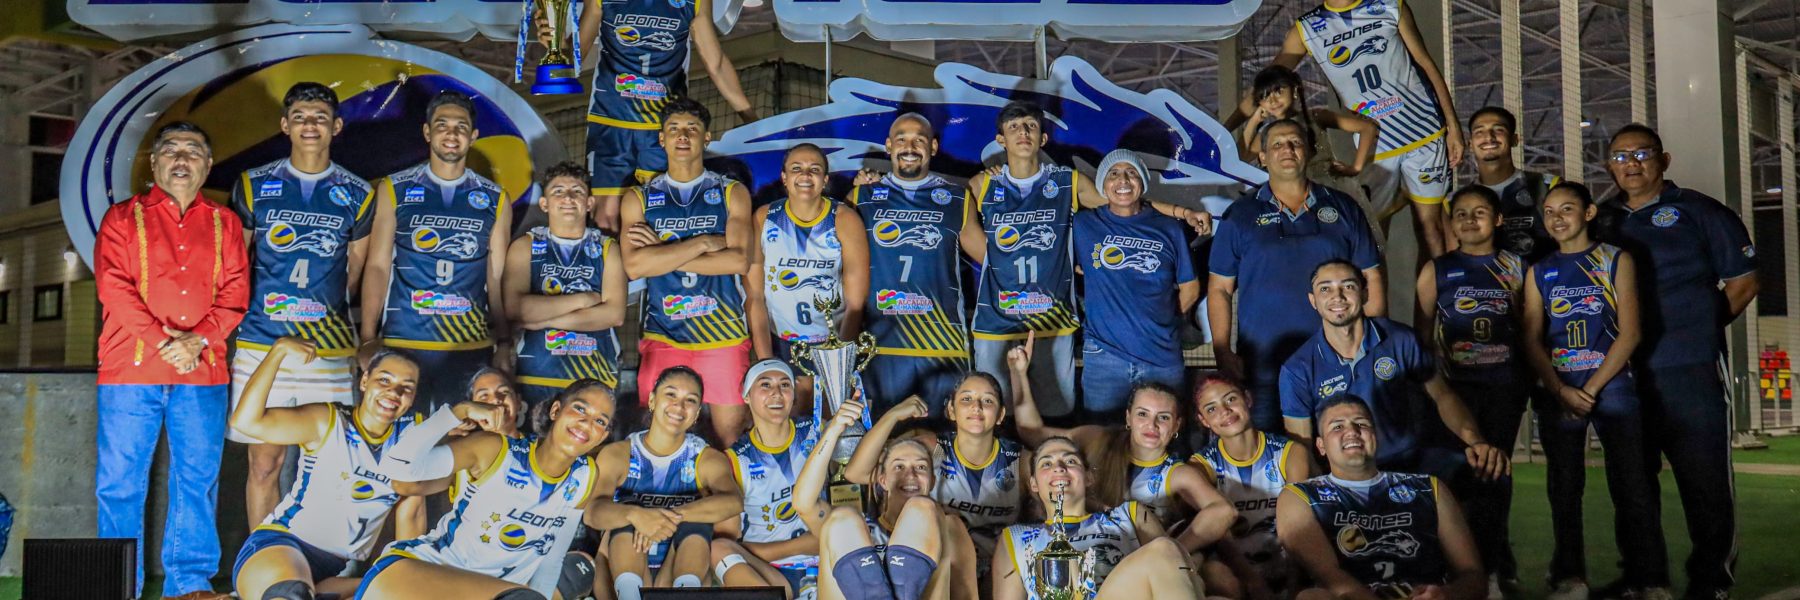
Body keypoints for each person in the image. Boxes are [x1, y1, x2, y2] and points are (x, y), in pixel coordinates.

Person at [1595, 124, 1756, 600]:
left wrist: (1699, 326)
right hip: (1624, 375)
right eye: (1620, 156)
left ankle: (1711, 580)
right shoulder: (1602, 219)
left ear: (1663, 160)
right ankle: (1643, 577)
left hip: (1690, 368)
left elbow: (1744, 282)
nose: (1631, 163)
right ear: (1608, 166)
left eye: (1641, 153)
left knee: (1703, 480)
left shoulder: (1700, 211)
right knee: (1632, 484)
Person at [968, 101, 1211, 418]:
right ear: (1001, 139)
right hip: (997, 321)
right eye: (1013, 127)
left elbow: (1124, 199)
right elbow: (959, 229)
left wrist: (1181, 212)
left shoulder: (1067, 182)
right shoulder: (982, 184)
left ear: (1043, 138)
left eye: (1031, 126)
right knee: (993, 415)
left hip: (1053, 321)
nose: (1023, 132)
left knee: (1056, 416)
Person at [94, 120, 248, 600]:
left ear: (207, 164)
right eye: (171, 150)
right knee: (119, 484)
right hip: (129, 371)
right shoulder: (122, 219)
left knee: (197, 482)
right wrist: (168, 342)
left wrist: (197, 340)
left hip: (203, 374)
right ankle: (118, 585)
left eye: (193, 151)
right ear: (154, 162)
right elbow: (114, 288)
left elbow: (236, 292)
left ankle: (189, 586)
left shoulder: (225, 223)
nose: (181, 159)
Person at [228, 82, 377, 529]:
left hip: (328, 349)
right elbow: (236, 264)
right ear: (285, 125)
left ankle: (316, 560)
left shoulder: (358, 193)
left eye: (319, 117)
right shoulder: (254, 184)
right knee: (264, 464)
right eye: (300, 117)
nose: (309, 125)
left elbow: (355, 271)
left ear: (336, 126)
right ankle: (262, 560)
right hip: (262, 343)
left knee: (329, 468)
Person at [1523, 182, 1668, 600]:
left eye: (1566, 209)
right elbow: (1531, 338)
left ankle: (1649, 580)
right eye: (1550, 212)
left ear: (1588, 213)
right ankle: (1570, 577)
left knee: (1632, 486)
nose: (1557, 218)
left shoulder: (1614, 259)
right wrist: (1559, 389)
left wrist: (1590, 387)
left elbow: (1631, 332)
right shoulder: (1539, 270)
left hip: (1612, 386)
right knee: (1565, 488)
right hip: (1561, 391)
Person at [1242, 0, 1464, 258]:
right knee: (1373, 236)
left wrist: (1453, 125)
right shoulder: (1306, 28)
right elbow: (1266, 84)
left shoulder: (1390, 5)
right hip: (1379, 144)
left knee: (1431, 230)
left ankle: (1437, 287)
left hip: (1423, 129)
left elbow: (1425, 63)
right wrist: (1228, 126)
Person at [358, 381, 618, 599]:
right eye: (580, 408)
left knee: (573, 573)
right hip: (415, 575)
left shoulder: (584, 476)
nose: (586, 423)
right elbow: (397, 469)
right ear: (556, 410)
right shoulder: (495, 449)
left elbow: (551, 560)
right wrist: (457, 412)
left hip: (493, 593)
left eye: (600, 421)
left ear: (603, 436)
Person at [1209, 118, 1385, 430]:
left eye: (1295, 142)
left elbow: (1370, 277)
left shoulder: (1344, 207)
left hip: (1339, 363)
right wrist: (1222, 350)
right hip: (1264, 366)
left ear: (1309, 151)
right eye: (1277, 144)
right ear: (1262, 157)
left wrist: (1374, 345)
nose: (1287, 149)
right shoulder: (1240, 215)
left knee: (1340, 450)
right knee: (1273, 453)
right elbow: (1220, 289)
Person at [228, 337, 426, 600]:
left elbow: (412, 518)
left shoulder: (411, 442)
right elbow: (245, 422)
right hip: (281, 546)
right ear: (364, 381)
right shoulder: (327, 421)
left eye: (406, 387)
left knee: (401, 592)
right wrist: (278, 352)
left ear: (413, 398)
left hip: (329, 570)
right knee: (291, 594)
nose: (394, 392)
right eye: (384, 380)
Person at [1279, 259, 1508, 482]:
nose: (1337, 296)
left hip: (1408, 462)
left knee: (1490, 472)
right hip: (1346, 473)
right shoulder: (1297, 368)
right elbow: (1301, 447)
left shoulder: (1401, 339)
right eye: (1325, 289)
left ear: (1365, 294)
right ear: (1313, 300)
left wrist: (1476, 441)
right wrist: (1321, 491)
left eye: (1348, 286)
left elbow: (1442, 396)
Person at [360, 90, 512, 413]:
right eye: (442, 125)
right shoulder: (394, 188)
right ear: (428, 132)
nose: (451, 134)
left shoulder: (495, 197)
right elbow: (377, 266)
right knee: (402, 436)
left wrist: (503, 341)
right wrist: (368, 337)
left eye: (461, 127)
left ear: (473, 136)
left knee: (460, 437)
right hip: (404, 342)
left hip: (468, 346)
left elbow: (497, 277)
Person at [1007, 342, 1234, 554]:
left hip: (1140, 564)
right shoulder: (1098, 439)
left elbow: (1224, 511)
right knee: (1029, 461)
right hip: (1087, 550)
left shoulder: (1176, 473)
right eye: (1143, 414)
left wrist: (1172, 551)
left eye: (1163, 417)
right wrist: (1018, 374)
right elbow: (1032, 432)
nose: (1152, 425)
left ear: (1176, 425)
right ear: (1128, 418)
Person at [552, 0, 756, 233]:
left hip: (663, 129)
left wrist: (750, 119)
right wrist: (555, 47)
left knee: (661, 215)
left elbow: (715, 63)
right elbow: (574, 56)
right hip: (610, 122)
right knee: (605, 218)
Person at [619, 98, 753, 444]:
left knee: (729, 440)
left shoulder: (731, 191)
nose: (683, 136)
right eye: (674, 129)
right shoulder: (638, 197)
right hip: (665, 334)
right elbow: (634, 266)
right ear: (661, 139)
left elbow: (738, 261)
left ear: (706, 137)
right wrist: (704, 242)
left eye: (692, 129)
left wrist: (661, 252)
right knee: (656, 436)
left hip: (723, 333)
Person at [1417, 186, 1529, 596]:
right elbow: (1421, 337)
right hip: (1453, 390)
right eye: (1461, 213)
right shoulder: (1438, 269)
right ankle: (1450, 568)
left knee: (1493, 477)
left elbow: (1530, 328)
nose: (1469, 220)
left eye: (1479, 212)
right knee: (1451, 478)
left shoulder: (1516, 267)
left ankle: (1492, 570)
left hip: (1502, 388)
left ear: (1498, 220)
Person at [1276, 396, 1485, 600]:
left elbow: (1474, 577)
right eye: (1337, 427)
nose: (1352, 431)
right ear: (1321, 446)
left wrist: (1447, 594)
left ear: (1376, 436)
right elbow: (1330, 577)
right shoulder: (1300, 496)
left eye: (1361, 424)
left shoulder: (1429, 487)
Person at [848, 113, 982, 415]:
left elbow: (993, 260)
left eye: (919, 140)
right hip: (882, 345)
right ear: (888, 146)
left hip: (942, 343)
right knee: (887, 435)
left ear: (933, 146)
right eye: (902, 139)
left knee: (943, 436)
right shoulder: (860, 197)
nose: (910, 147)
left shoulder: (957, 198)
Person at [792, 395, 981, 600]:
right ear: (882, 480)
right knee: (841, 519)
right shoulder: (857, 528)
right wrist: (833, 429)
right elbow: (803, 503)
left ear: (932, 480)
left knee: (925, 508)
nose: (910, 475)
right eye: (899, 466)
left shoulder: (949, 527)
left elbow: (967, 595)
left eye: (920, 467)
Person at [586, 367, 744, 599]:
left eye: (690, 400)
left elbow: (734, 502)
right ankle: (629, 593)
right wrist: (637, 516)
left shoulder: (706, 458)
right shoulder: (618, 454)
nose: (679, 406)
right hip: (622, 564)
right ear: (652, 400)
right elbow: (592, 513)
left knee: (696, 522)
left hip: (677, 565)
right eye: (671, 394)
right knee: (626, 517)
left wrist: (668, 517)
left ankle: (685, 591)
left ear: (697, 413)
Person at [847, 375, 1027, 574]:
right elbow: (857, 473)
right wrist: (892, 416)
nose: (976, 407)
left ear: (1001, 414)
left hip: (1000, 574)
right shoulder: (935, 449)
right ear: (951, 410)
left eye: (987, 400)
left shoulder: (1018, 460)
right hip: (942, 568)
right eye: (966, 399)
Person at [992, 437, 1209, 600]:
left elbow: (1172, 572)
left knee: (1165, 548)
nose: (1059, 468)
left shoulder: (1129, 515)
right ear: (1034, 484)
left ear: (1088, 477)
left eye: (1070, 460)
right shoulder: (1016, 537)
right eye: (1046, 464)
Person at [1071, 150, 1201, 417]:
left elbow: (1190, 287)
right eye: (1114, 174)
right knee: (1104, 437)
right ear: (1102, 185)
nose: (1123, 180)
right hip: (1105, 356)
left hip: (1161, 356)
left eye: (1131, 173)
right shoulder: (1084, 225)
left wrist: (1161, 320)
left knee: (1164, 434)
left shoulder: (1169, 228)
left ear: (1142, 181)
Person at [746, 143, 871, 386]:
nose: (805, 175)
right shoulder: (764, 217)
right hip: (779, 341)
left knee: (828, 410)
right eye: (796, 168)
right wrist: (766, 362)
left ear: (825, 180)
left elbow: (855, 304)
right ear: (784, 177)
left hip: (829, 342)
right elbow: (755, 296)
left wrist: (838, 361)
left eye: (814, 169)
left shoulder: (844, 219)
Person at [505, 161, 628, 406]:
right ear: (544, 204)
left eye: (577, 191)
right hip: (536, 373)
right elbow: (516, 309)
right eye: (558, 191)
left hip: (595, 375)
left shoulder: (608, 248)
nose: (568, 198)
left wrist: (543, 321)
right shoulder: (525, 246)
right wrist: (583, 300)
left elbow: (614, 315)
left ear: (590, 203)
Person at [712, 359, 823, 595]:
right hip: (770, 573)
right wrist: (802, 545)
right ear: (746, 396)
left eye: (785, 385)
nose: (776, 393)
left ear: (793, 395)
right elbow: (729, 543)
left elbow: (853, 478)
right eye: (765, 385)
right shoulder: (735, 460)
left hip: (826, 562)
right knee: (717, 549)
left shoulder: (816, 432)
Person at [1190, 375, 1311, 592]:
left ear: (1248, 398)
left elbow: (1299, 527)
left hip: (1289, 564)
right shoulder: (1200, 465)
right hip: (1238, 572)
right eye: (1211, 409)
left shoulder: (1291, 452)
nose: (1224, 411)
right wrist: (1252, 582)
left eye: (1231, 399)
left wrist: (1294, 586)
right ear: (1204, 420)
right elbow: (1219, 535)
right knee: (1215, 575)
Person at [1236, 65, 1379, 210]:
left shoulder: (1315, 117)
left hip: (1332, 190)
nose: (1272, 101)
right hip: (1293, 198)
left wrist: (1355, 168)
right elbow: (1241, 158)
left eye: (1278, 91)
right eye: (1264, 96)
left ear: (1294, 90)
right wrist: (1253, 121)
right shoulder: (1268, 133)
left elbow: (1368, 128)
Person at [1466, 107, 1560, 263]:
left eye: (1498, 130)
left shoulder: (1548, 186)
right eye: (1479, 132)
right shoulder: (1456, 202)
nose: (1489, 137)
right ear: (1470, 144)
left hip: (1543, 276)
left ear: (1514, 139)